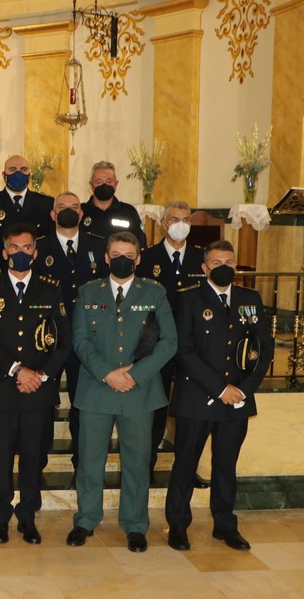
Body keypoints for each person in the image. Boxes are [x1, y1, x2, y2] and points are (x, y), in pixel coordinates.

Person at [67, 231, 177, 553]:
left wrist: (136, 375)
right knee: (89, 461)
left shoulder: (154, 292)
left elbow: (169, 342)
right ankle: (86, 519)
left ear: (138, 258)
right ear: (106, 257)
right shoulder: (88, 292)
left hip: (138, 392)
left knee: (137, 461)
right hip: (96, 390)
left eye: (129, 255)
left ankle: (135, 524)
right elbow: (80, 341)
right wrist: (107, 374)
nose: (122, 260)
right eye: (116, 254)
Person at [165, 241, 273, 552]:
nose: (223, 266)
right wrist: (220, 389)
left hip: (238, 399)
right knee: (185, 464)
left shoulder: (249, 299)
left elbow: (263, 350)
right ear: (205, 268)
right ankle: (178, 525)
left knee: (226, 465)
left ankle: (225, 525)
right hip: (197, 398)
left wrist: (244, 389)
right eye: (216, 262)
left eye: (229, 260)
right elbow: (183, 351)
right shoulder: (189, 299)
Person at [0, 224, 70, 545]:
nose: (21, 253)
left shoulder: (50, 289)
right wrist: (18, 370)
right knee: (1, 458)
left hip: (38, 392)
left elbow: (62, 342)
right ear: (4, 253)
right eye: (14, 248)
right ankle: (1, 518)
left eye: (27, 247)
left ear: (35, 252)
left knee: (34, 457)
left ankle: (28, 518)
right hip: (2, 390)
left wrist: (41, 376)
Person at [31, 192, 108, 476]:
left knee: (83, 403)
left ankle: (82, 463)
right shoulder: (38, 247)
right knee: (43, 404)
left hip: (87, 337)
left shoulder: (99, 246)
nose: (68, 211)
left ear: (82, 213)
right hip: (47, 338)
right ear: (52, 215)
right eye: (61, 207)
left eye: (74, 207)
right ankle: (37, 462)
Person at [136, 200, 209, 485]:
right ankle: (147, 466)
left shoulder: (200, 259)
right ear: (165, 223)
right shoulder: (148, 257)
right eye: (176, 219)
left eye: (187, 219)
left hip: (193, 345)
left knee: (191, 409)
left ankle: (187, 470)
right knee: (155, 406)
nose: (181, 224)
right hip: (156, 345)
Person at [0, 155, 54, 256]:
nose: (18, 173)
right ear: (4, 175)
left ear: (29, 175)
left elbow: (51, 242)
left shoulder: (46, 204)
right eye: (13, 169)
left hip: (36, 269)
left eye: (23, 170)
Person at [79, 161, 147, 248]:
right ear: (91, 185)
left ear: (116, 184)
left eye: (109, 181)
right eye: (99, 182)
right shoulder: (81, 211)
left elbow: (140, 243)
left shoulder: (129, 212)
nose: (104, 185)